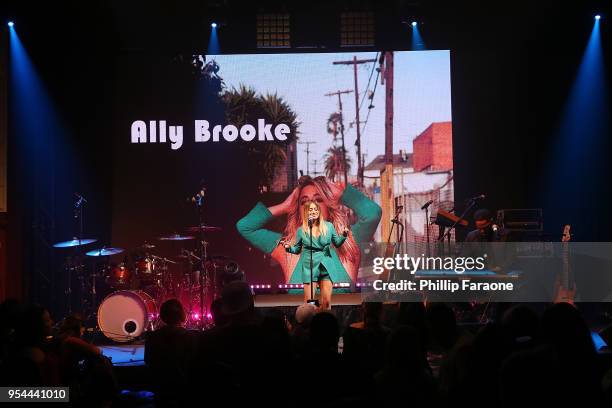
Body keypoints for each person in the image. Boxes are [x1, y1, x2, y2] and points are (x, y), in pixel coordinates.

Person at [236, 175, 381, 306]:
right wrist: (284, 207)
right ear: (299, 211)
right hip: (300, 333)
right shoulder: (289, 249)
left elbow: (373, 214)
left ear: (328, 208)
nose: (312, 206)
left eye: (318, 200)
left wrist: (342, 194)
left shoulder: (348, 244)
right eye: (304, 202)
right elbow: (246, 227)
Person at [282, 200, 348, 308]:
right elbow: (297, 249)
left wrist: (344, 235)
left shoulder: (329, 226)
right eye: (311, 210)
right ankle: (314, 316)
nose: (313, 211)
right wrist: (289, 248)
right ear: (306, 213)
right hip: (310, 266)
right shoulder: (301, 230)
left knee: (326, 301)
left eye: (316, 209)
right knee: (310, 302)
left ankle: (324, 317)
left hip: (326, 265)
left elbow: (337, 243)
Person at [144, 299, 196, 407]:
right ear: (181, 315)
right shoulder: (190, 337)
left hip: (160, 389)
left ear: (163, 315)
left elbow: (148, 360)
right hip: (184, 389)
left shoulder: (151, 337)